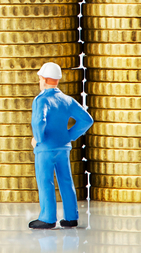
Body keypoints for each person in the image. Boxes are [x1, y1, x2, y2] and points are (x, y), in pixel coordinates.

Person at [29, 62, 93, 230]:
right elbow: (87, 120)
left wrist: (38, 139)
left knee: (46, 181)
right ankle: (71, 217)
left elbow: (39, 121)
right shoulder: (67, 100)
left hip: (46, 149)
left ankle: (48, 217)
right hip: (63, 148)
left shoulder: (40, 100)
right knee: (66, 181)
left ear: (44, 79)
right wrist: (68, 136)